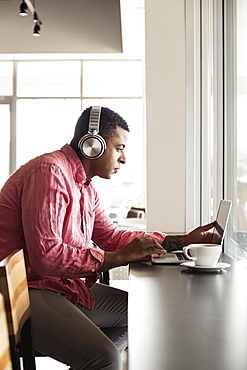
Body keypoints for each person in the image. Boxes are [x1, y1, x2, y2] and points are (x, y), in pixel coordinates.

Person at [0, 106, 215, 370]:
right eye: (119, 147)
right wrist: (117, 259)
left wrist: (181, 241)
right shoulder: (50, 172)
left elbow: (110, 236)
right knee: (105, 357)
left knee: (138, 317)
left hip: (56, 286)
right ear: (92, 145)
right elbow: (46, 257)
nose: (124, 158)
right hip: (23, 292)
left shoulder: (84, 187)